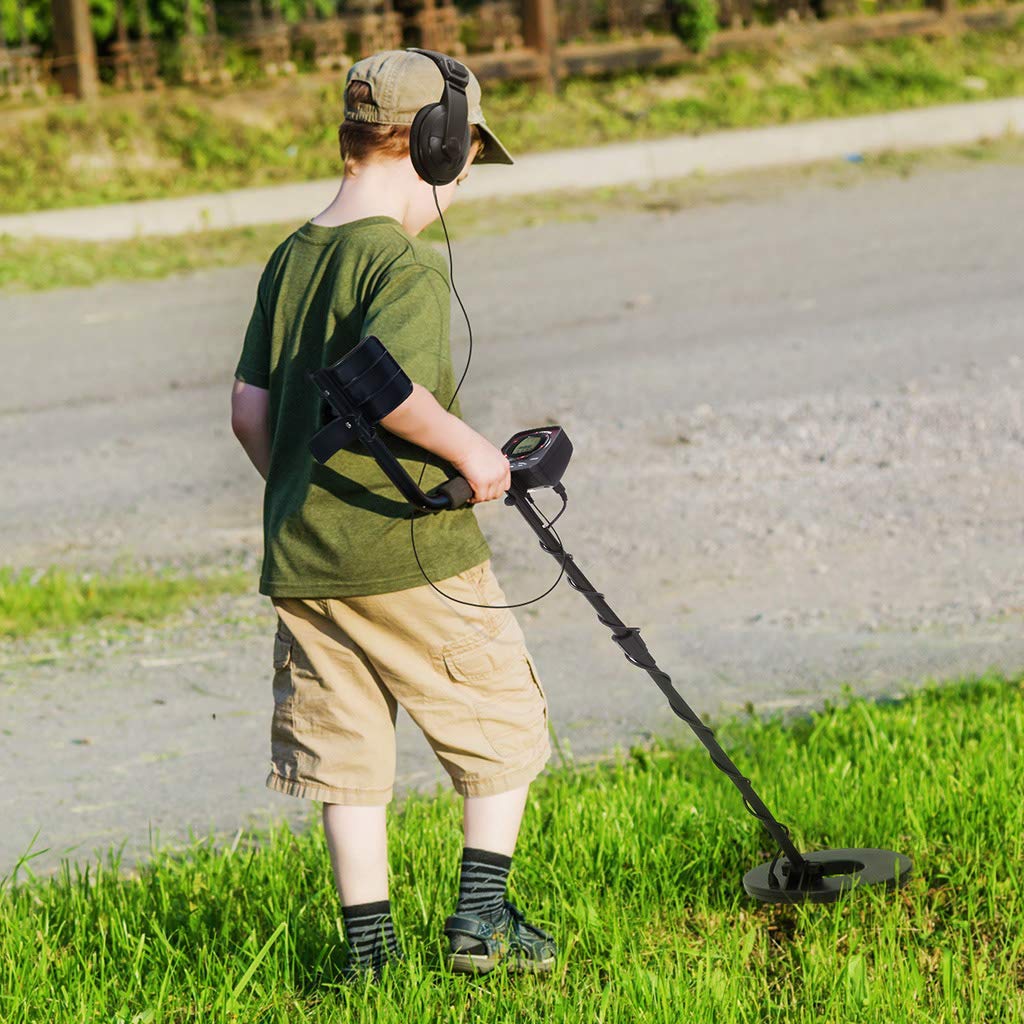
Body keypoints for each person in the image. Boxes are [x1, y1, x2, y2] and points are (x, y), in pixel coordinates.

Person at [230, 49, 556, 981]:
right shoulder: (400, 265)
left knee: (346, 753)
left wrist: (303, 494)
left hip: (307, 560)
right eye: (460, 164)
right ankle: (482, 919)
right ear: (437, 145)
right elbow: (396, 392)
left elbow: (250, 414)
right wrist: (474, 453)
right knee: (500, 720)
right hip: (415, 554)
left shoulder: (291, 257)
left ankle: (368, 957)